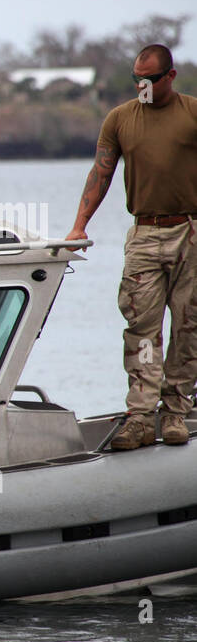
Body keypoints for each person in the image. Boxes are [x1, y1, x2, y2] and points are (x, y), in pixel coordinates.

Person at [64, 44, 197, 451]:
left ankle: (175, 410)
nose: (143, 86)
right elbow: (101, 173)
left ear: (170, 76)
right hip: (144, 233)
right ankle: (140, 417)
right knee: (141, 328)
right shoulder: (120, 118)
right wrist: (78, 226)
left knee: (189, 326)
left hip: (190, 232)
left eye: (151, 80)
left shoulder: (192, 113)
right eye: (137, 79)